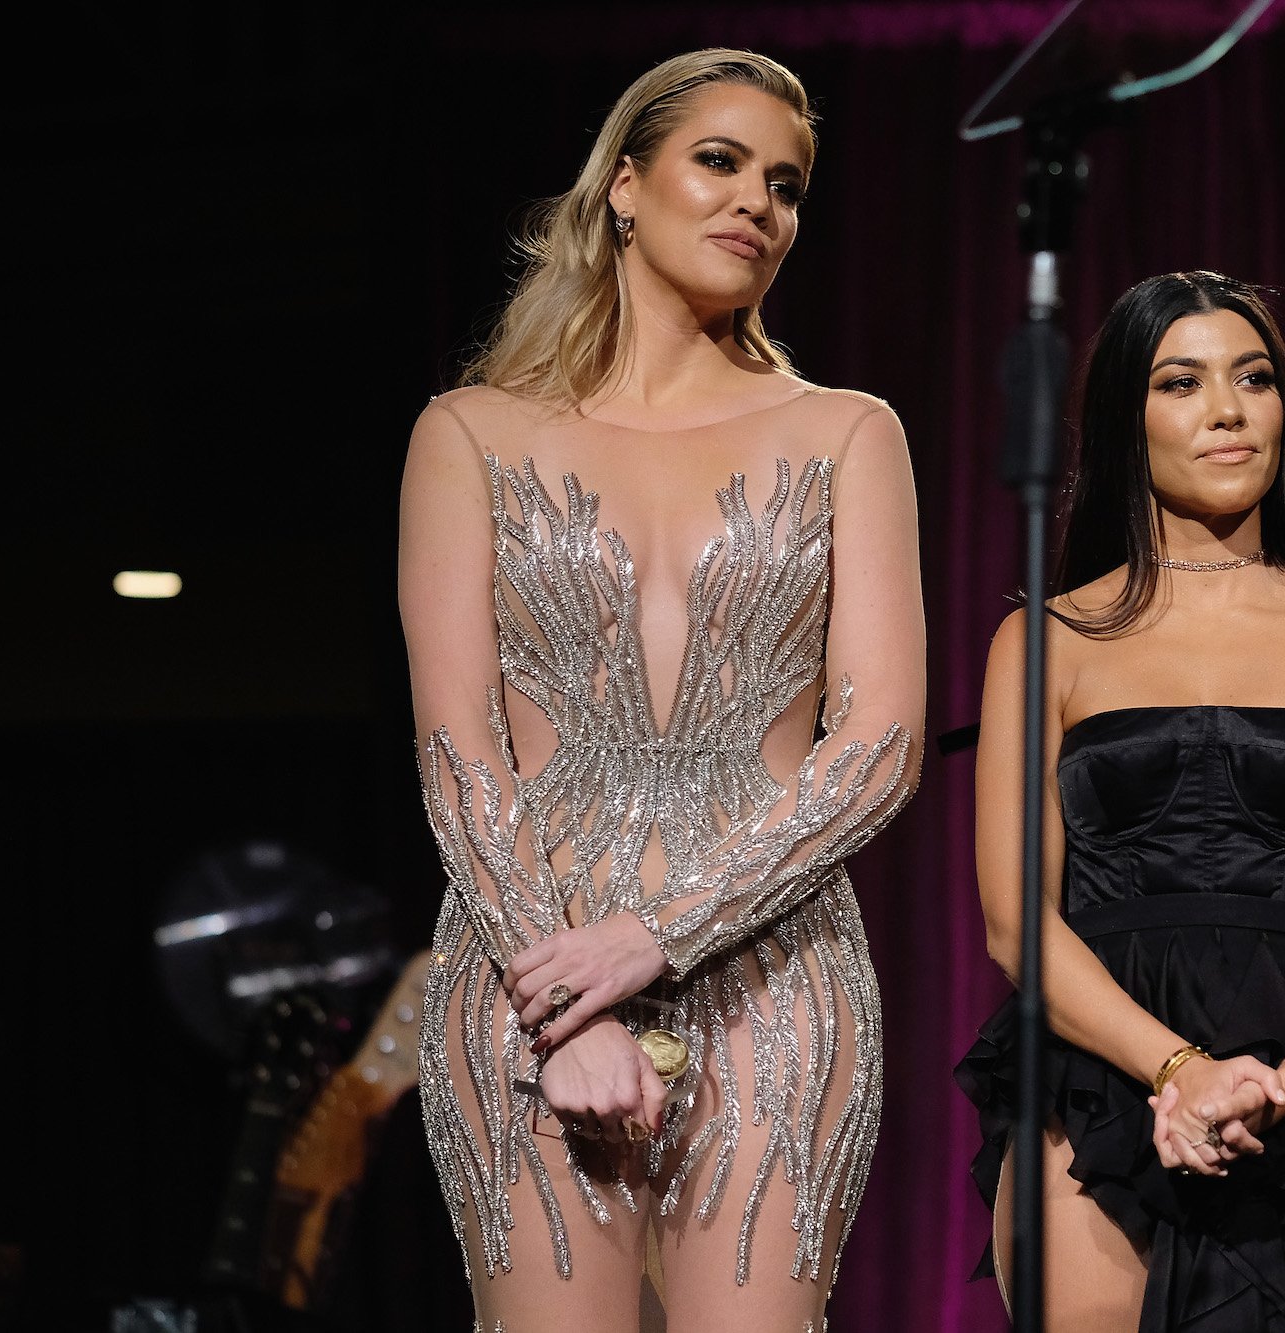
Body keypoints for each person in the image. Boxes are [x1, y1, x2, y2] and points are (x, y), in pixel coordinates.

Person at [398, 49, 925, 1333]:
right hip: (525, 956)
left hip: (774, 971)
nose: (759, 202)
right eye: (721, 162)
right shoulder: (468, 431)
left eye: (787, 185)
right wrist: (564, 1002)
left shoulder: (849, 432)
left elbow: (881, 742)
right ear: (624, 188)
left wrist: (653, 938)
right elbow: (458, 750)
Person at [956, 272, 1285, 1332]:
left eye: (1253, 378)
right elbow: (1014, 923)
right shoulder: (1043, 640)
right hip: (1099, 1072)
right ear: (1126, 421)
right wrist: (1175, 1070)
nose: (1227, 409)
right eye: (1182, 381)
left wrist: (1275, 1081)